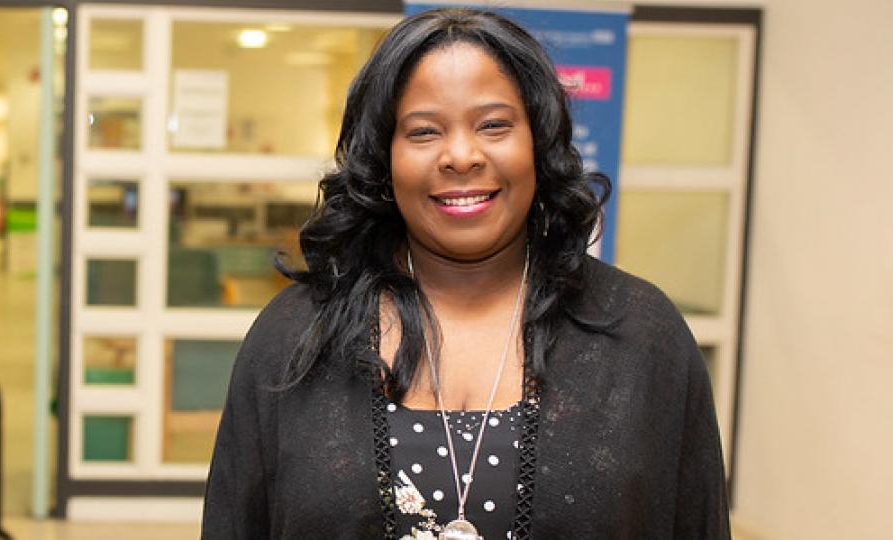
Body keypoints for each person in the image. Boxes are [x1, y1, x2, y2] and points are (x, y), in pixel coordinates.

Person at [202, 8, 728, 539]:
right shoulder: (293, 339)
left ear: (538, 145)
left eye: (494, 124)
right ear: (384, 160)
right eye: (424, 131)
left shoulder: (641, 336)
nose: (461, 155)